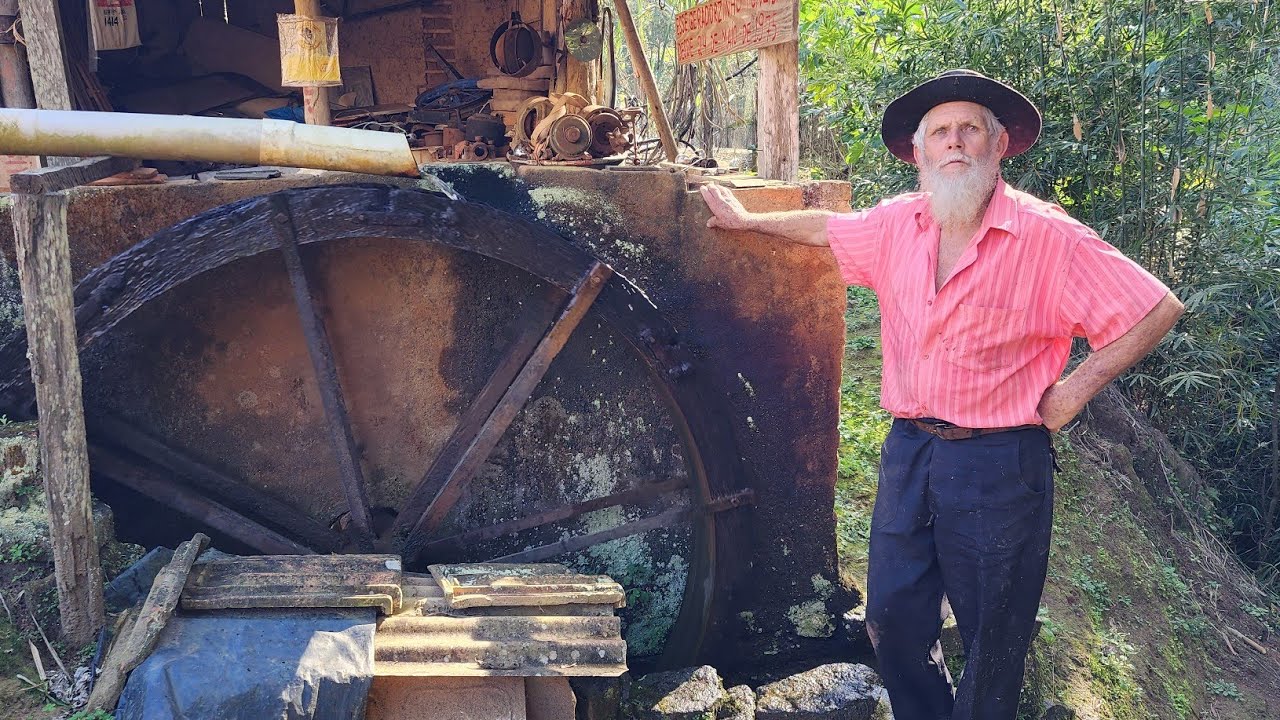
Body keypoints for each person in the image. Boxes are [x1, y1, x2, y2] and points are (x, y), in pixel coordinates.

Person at [701, 69, 1185, 720]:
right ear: (919, 152)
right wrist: (745, 220)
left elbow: (1154, 307)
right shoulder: (901, 224)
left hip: (1001, 464)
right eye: (940, 133)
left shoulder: (1049, 238)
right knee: (893, 621)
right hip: (911, 453)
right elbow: (827, 228)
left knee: (993, 641)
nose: (954, 143)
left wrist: (1072, 394)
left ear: (999, 145)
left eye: (969, 130)